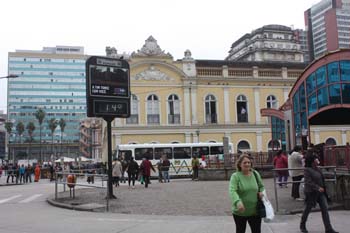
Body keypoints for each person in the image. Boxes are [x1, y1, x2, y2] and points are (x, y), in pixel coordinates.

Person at [300, 152, 338, 233]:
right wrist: (317, 187)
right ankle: (302, 225)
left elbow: (322, 178)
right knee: (307, 209)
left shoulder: (318, 168)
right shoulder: (307, 170)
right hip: (311, 193)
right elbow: (308, 182)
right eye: (316, 159)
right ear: (312, 161)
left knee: (325, 209)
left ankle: (328, 228)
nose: (318, 160)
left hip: (321, 193)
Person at [229, 153, 265, 233]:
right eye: (244, 162)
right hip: (240, 212)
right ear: (240, 164)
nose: (247, 164)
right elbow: (232, 190)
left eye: (249, 162)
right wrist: (237, 202)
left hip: (255, 211)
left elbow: (261, 186)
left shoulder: (255, 174)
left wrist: (262, 192)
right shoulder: (235, 176)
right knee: (240, 231)